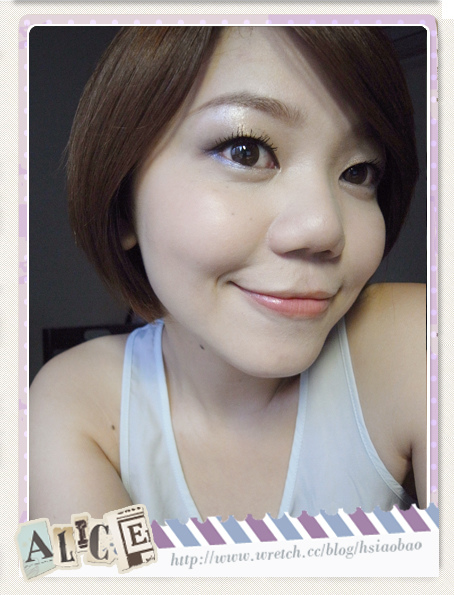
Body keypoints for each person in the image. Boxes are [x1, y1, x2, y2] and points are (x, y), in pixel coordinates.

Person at [30, 26, 427, 525]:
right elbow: (80, 565)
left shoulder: (417, 342)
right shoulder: (75, 402)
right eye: (246, 151)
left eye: (359, 171)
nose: (324, 227)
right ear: (124, 201)